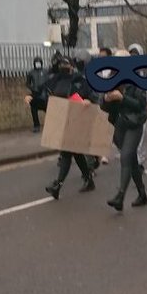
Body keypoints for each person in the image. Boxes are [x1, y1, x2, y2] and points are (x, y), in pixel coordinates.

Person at [43, 53, 96, 200]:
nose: (63, 68)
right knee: (76, 153)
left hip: (78, 120)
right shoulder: (57, 81)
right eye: (61, 66)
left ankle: (57, 185)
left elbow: (92, 97)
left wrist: (87, 101)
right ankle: (89, 179)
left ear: (72, 67)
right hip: (63, 120)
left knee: (66, 152)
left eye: (66, 65)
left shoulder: (80, 81)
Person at [102, 52, 147, 212]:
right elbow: (104, 106)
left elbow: (140, 105)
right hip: (119, 124)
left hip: (134, 123)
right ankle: (142, 194)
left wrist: (122, 98)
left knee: (126, 156)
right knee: (131, 160)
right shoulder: (112, 79)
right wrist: (106, 99)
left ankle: (120, 196)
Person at [24, 55, 49, 133]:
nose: (38, 64)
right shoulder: (31, 72)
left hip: (44, 94)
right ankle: (36, 125)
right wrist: (33, 88)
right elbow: (27, 83)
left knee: (48, 110)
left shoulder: (45, 71)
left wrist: (46, 88)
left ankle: (50, 125)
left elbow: (49, 81)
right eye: (36, 63)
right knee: (34, 109)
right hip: (35, 94)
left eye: (39, 63)